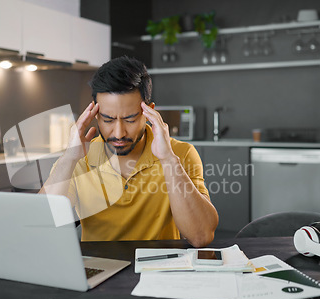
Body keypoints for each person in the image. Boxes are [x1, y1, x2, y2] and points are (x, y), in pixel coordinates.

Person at [39, 56, 218, 247]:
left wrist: (168, 159)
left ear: (150, 112)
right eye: (108, 120)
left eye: (130, 120)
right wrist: (69, 158)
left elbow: (201, 237)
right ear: (95, 115)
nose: (118, 133)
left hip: (161, 269)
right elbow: (41, 229)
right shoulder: (78, 158)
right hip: (101, 269)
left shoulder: (180, 153)